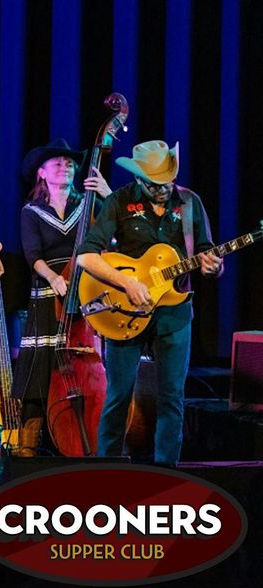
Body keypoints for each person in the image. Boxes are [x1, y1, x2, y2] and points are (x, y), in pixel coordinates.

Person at [78, 140, 221, 466]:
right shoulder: (120, 200)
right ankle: (106, 469)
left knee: (172, 397)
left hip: (174, 312)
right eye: (155, 184)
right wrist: (127, 282)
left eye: (167, 182)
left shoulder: (189, 202)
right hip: (125, 311)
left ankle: (166, 471)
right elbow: (87, 256)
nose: (162, 189)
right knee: (118, 396)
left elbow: (206, 253)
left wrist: (214, 267)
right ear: (140, 178)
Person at [9, 139, 95, 456]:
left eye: (70, 163)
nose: (66, 166)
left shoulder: (86, 207)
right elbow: (33, 255)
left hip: (83, 297)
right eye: (57, 163)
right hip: (48, 293)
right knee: (40, 366)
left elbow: (108, 238)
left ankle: (81, 438)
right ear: (42, 173)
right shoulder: (31, 212)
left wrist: (105, 193)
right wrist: (55, 278)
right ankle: (28, 443)